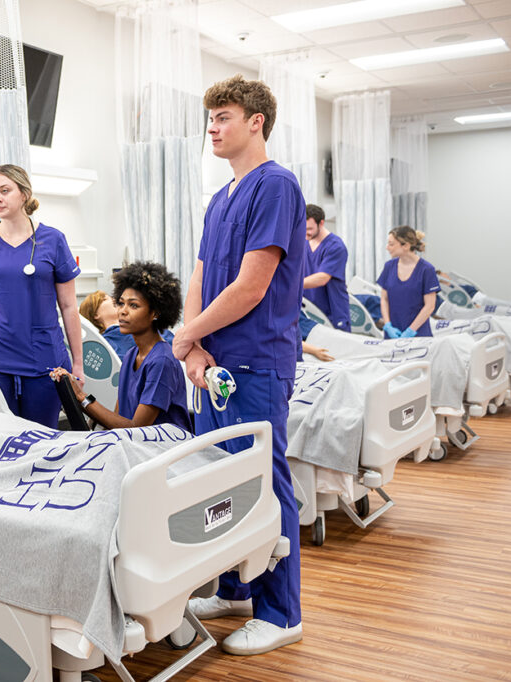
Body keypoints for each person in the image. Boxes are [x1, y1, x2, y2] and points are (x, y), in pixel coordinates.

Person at [170, 74, 304, 655]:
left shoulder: (276, 186)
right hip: (215, 365)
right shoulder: (220, 197)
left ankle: (281, 612)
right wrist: (193, 344)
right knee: (219, 480)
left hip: (255, 362)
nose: (212, 128)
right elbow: (200, 276)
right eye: (210, 118)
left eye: (223, 117)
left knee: (263, 483)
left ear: (256, 122)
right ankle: (234, 589)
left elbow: (251, 287)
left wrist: (186, 336)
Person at [0, 164, 84, 428]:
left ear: (24, 194)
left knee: (42, 437)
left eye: (5, 191)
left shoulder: (53, 240)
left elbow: (68, 306)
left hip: (44, 360)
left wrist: (78, 363)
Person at [52, 262, 191, 431]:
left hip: (165, 446)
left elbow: (137, 428)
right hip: (134, 442)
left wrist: (81, 396)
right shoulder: (131, 356)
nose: (122, 311)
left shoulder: (161, 362)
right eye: (121, 303)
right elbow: (117, 420)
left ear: (155, 313)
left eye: (133, 305)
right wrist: (72, 393)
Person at [377, 226, 440, 338]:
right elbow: (384, 299)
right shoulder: (389, 267)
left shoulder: (426, 270)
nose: (387, 247)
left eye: (391, 244)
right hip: (392, 335)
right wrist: (387, 325)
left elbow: (430, 306)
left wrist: (411, 331)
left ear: (406, 246)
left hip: (418, 335)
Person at [80, 289, 174, 358]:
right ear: (95, 314)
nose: (114, 300)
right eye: (104, 299)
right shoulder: (104, 344)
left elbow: (172, 343)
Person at [302, 204, 350, 332]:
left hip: (333, 313)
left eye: (309, 228)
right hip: (309, 312)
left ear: (321, 223)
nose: (305, 232)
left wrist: (293, 285)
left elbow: (322, 278)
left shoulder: (335, 246)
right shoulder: (304, 244)